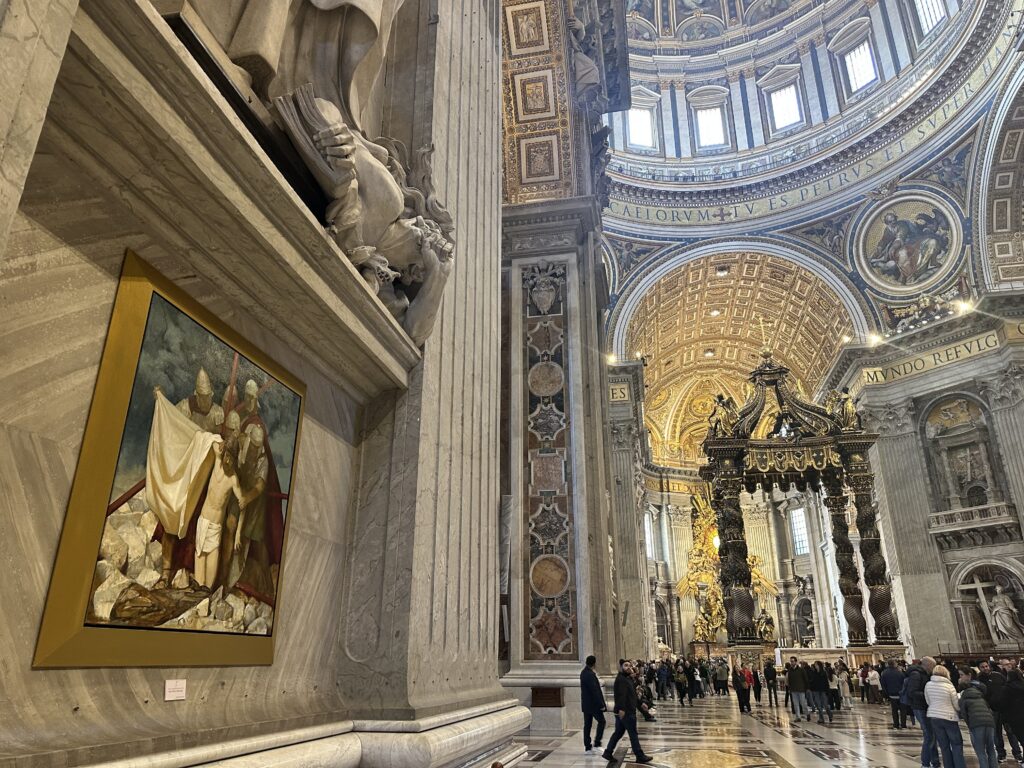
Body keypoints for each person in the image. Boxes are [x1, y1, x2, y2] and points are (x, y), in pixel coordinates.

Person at [602, 661, 653, 764]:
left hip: (627, 710)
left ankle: (608, 752)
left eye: (629, 665)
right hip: (626, 712)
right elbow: (621, 696)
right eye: (626, 665)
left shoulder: (628, 679)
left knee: (618, 733)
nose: (628, 667)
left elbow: (632, 694)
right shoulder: (621, 679)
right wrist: (621, 709)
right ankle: (639, 755)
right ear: (620, 667)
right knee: (633, 734)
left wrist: (641, 704)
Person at [978, 660, 1022, 763]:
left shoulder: (998, 675)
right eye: (983, 667)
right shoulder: (979, 680)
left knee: (1010, 732)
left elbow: (1007, 686)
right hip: (992, 710)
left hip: (1005, 708)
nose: (985, 668)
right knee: (996, 733)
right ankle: (1001, 753)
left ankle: (1017, 753)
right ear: (979, 668)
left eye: (986, 666)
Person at [925, 665, 966, 768]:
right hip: (949, 717)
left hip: (934, 717)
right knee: (956, 744)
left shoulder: (928, 685)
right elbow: (956, 705)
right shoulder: (949, 686)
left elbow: (928, 701)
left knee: (944, 746)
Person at [959, 668, 997, 768]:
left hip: (976, 724)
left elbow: (964, 714)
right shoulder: (980, 695)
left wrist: (970, 725)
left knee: (980, 751)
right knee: (991, 749)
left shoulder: (964, 697)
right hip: (990, 723)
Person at [908, 656, 941, 768]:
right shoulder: (916, 675)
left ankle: (935, 762)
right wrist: (928, 695)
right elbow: (912, 692)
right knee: (929, 735)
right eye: (933, 666)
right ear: (927, 665)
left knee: (932, 735)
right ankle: (925, 763)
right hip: (920, 707)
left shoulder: (926, 674)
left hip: (926, 707)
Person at [580, 655, 607, 753]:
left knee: (587, 725)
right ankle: (597, 743)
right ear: (594, 663)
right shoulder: (590, 674)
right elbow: (595, 691)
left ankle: (587, 746)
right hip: (593, 705)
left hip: (586, 704)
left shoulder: (583, 673)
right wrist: (601, 704)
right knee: (602, 722)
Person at [881, 659, 908, 729]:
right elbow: (904, 683)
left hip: (891, 694)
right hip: (901, 694)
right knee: (903, 710)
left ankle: (896, 724)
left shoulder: (884, 673)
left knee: (894, 710)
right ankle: (903, 724)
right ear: (894, 664)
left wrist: (886, 694)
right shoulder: (900, 672)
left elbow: (883, 685)